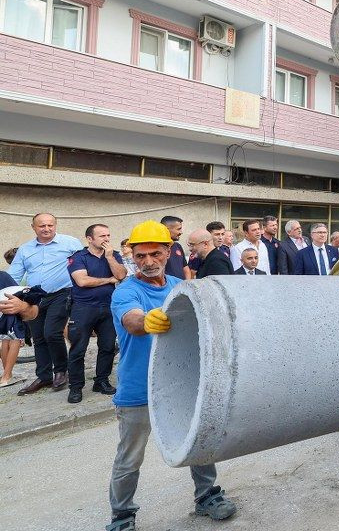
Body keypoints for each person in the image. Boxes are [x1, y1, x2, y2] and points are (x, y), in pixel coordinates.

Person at [106, 220, 236, 530]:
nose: (148, 262)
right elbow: (131, 319)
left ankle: (207, 497)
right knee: (130, 459)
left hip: (182, 384)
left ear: (169, 251)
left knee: (199, 440)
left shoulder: (182, 287)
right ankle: (122, 516)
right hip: (138, 389)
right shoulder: (126, 291)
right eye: (140, 256)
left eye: (155, 254)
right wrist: (146, 320)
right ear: (132, 256)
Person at [7, 213, 82, 395]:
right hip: (35, 297)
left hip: (63, 293)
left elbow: (82, 265)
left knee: (52, 333)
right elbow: (14, 276)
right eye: (42, 226)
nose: (46, 229)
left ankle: (61, 371)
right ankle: (44, 376)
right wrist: (8, 293)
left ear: (55, 225)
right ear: (34, 227)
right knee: (38, 337)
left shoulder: (70, 243)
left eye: (50, 225)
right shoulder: (25, 249)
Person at [65, 224, 125, 404]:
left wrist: (109, 258)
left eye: (108, 235)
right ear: (89, 239)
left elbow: (121, 275)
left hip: (108, 307)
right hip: (83, 308)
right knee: (78, 349)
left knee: (107, 347)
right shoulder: (78, 257)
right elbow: (82, 281)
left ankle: (101, 381)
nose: (106, 239)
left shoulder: (113, 255)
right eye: (101, 236)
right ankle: (75, 387)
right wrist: (108, 280)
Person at [0, 269, 26, 387]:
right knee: (15, 340)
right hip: (10, 310)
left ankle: (7, 373)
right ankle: (7, 376)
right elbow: (18, 292)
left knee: (5, 340)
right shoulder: (3, 276)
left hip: (3, 312)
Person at [159, 216, 191, 281]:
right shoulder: (157, 248)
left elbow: (185, 268)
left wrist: (188, 283)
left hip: (182, 288)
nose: (181, 232)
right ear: (166, 230)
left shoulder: (178, 246)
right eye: (178, 229)